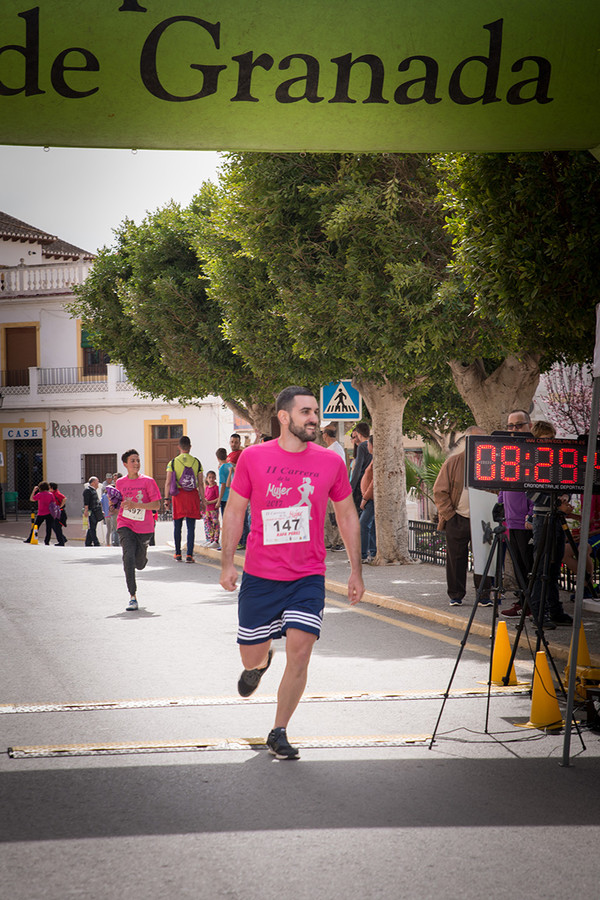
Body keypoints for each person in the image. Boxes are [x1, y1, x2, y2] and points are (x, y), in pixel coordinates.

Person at [220, 385, 364, 761]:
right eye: (305, 412)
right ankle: (261, 664)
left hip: (307, 576)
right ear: (284, 417)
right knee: (250, 658)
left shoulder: (331, 462)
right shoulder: (252, 458)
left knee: (300, 653)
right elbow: (235, 511)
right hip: (261, 575)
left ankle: (279, 730)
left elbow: (347, 515)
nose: (314, 418)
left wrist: (356, 571)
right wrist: (226, 562)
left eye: (315, 411)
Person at [433, 426, 492, 607]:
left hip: (483, 519)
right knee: (456, 559)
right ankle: (456, 595)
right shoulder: (453, 462)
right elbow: (439, 491)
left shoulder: (491, 464)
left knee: (483, 558)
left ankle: (484, 596)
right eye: (473, 440)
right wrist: (450, 515)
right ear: (467, 441)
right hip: (458, 518)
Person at [527, 420, 573, 628]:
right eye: (545, 439)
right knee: (541, 568)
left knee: (554, 568)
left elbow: (569, 482)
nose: (550, 442)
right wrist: (556, 503)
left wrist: (565, 498)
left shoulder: (559, 460)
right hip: (542, 520)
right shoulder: (531, 460)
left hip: (557, 519)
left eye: (552, 438)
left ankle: (555, 611)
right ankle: (539, 613)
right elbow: (531, 492)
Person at [115, 449, 161, 611]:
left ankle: (142, 558)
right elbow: (116, 506)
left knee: (139, 563)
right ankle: (132, 596)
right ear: (125, 464)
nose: (136, 463)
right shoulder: (120, 483)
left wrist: (136, 505)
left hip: (144, 527)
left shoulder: (148, 481)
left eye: (138, 460)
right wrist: (113, 504)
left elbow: (157, 505)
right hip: (125, 524)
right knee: (128, 557)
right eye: (132, 461)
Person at [499, 409, 534, 618]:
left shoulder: (533, 450)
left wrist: (531, 514)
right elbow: (504, 481)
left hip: (526, 523)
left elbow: (536, 487)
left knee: (529, 566)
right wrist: (500, 503)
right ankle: (522, 602)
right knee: (519, 568)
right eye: (510, 426)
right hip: (511, 522)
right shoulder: (509, 451)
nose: (514, 430)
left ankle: (532, 604)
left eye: (518, 425)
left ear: (529, 425)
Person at [164, 436, 205, 563]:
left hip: (178, 496)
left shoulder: (173, 462)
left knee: (177, 526)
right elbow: (201, 484)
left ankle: (177, 553)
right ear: (190, 447)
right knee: (191, 527)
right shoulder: (197, 462)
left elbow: (168, 482)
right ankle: (189, 555)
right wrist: (203, 500)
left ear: (179, 447)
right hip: (192, 495)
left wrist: (166, 499)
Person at [359, 435, 376, 562]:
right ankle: (373, 552)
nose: (367, 447)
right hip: (369, 499)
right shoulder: (373, 459)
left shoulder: (376, 460)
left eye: (368, 444)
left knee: (363, 525)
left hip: (371, 499)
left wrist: (365, 498)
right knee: (370, 526)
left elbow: (374, 483)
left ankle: (363, 554)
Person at [349, 422, 371, 512]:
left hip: (361, 485)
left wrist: (351, 487)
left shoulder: (362, 446)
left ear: (359, 434)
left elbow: (357, 469)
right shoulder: (372, 443)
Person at [83, 477, 103, 547]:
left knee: (93, 526)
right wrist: (86, 510)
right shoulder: (88, 490)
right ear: (93, 482)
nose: (98, 483)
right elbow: (86, 502)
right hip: (91, 511)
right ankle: (96, 542)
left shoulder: (93, 490)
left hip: (95, 511)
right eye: (97, 482)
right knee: (92, 527)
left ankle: (88, 542)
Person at [203, 470, 220, 548]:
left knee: (215, 524)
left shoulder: (216, 488)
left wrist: (210, 502)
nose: (211, 479)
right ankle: (211, 539)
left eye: (213, 477)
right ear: (207, 479)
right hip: (207, 509)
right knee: (208, 524)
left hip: (213, 509)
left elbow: (218, 498)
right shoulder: (207, 488)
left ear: (215, 478)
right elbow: (206, 497)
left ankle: (216, 540)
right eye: (209, 477)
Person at [48, 482, 68, 546]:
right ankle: (63, 538)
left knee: (57, 527)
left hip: (59, 513)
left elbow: (64, 498)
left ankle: (61, 541)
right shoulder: (53, 493)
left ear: (51, 488)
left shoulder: (56, 493)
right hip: (56, 512)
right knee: (54, 526)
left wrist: (60, 506)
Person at [216, 448, 234, 519]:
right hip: (231, 496)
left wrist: (219, 500)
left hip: (224, 498)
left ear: (217, 458)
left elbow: (223, 485)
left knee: (226, 520)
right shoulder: (230, 465)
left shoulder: (222, 468)